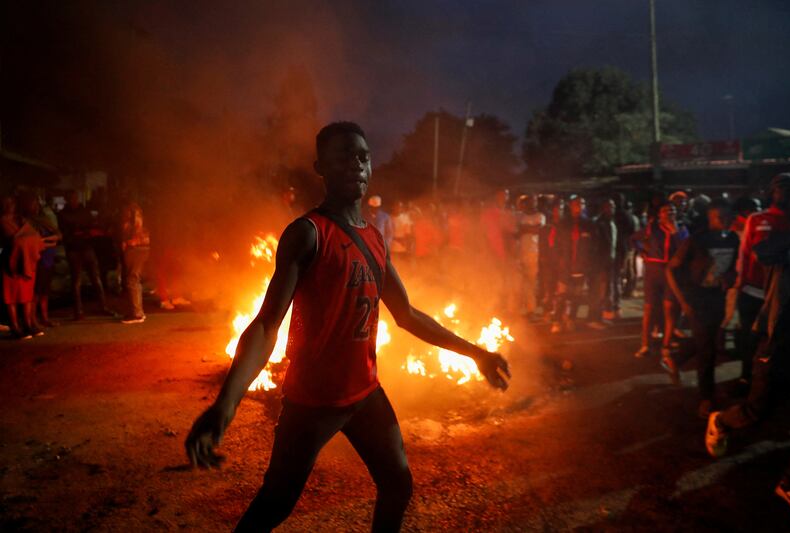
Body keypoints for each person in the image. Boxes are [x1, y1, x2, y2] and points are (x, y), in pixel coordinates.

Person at [184, 122, 510, 532]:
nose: (356, 163)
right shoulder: (307, 234)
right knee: (277, 503)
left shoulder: (374, 237)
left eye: (363, 155)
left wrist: (477, 353)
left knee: (397, 483)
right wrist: (226, 403)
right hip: (313, 402)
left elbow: (407, 315)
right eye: (344, 155)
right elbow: (267, 325)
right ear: (320, 167)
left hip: (365, 393)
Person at [705, 204, 790, 516]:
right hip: (779, 341)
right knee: (757, 410)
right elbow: (762, 251)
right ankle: (721, 420)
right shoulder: (787, 247)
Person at [665, 199, 739, 417]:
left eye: (728, 217)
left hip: (717, 295)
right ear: (710, 219)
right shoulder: (696, 240)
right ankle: (706, 398)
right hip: (696, 298)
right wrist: (684, 301)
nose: (725, 222)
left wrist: (730, 277)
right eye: (720, 218)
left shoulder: (733, 239)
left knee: (707, 340)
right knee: (707, 350)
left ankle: (676, 359)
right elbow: (671, 270)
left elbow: (732, 267)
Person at [732, 173, 790, 391]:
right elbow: (746, 254)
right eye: (783, 188)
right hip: (753, 291)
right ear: (772, 192)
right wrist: (739, 283)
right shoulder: (758, 219)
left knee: (775, 341)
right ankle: (746, 379)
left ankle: (769, 381)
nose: (789, 192)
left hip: (782, 295)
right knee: (750, 340)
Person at [632, 202, 689, 358]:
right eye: (665, 211)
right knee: (649, 309)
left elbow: (685, 249)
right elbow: (634, 238)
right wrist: (642, 251)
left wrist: (674, 232)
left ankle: (667, 344)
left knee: (669, 308)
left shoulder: (682, 229)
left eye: (672, 210)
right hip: (653, 271)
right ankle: (645, 344)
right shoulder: (652, 229)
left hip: (672, 273)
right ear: (659, 215)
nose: (669, 213)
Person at [1, 194, 57, 339]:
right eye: (6, 203)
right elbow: (17, 241)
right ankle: (15, 328)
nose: (9, 206)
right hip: (11, 263)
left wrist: (40, 242)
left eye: (11, 202)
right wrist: (38, 242)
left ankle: (28, 324)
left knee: (26, 295)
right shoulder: (2, 221)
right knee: (11, 297)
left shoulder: (22, 219)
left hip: (27, 263)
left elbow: (31, 237)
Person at [58, 190, 113, 320]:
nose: (75, 200)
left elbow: (92, 226)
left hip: (87, 248)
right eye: (72, 198)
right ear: (67, 199)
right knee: (76, 281)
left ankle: (103, 307)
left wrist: (87, 231)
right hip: (74, 250)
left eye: (76, 198)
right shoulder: (63, 215)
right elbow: (65, 234)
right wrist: (78, 232)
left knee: (96, 279)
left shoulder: (84, 212)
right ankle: (78, 311)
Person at [552, 195, 594, 333]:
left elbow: (592, 247)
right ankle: (557, 320)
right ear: (571, 206)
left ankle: (572, 319)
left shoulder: (588, 224)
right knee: (562, 296)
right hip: (565, 267)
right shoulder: (563, 224)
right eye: (576, 204)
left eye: (581, 204)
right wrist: (558, 262)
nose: (579, 206)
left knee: (577, 296)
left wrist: (588, 265)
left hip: (581, 267)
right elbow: (556, 245)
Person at [19, 192, 62, 328]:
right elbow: (33, 241)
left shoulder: (42, 219)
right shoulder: (25, 221)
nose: (36, 206)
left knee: (44, 291)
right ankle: (32, 319)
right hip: (38, 259)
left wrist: (46, 240)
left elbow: (58, 235)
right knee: (36, 292)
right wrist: (47, 241)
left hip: (48, 257)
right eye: (33, 203)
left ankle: (44, 317)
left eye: (36, 203)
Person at [117, 197, 150, 324]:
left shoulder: (132, 221)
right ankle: (136, 311)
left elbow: (132, 237)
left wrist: (127, 243)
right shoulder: (140, 217)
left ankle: (136, 313)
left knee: (132, 279)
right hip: (142, 250)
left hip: (134, 251)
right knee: (135, 279)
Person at [589, 198, 617, 328]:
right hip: (600, 264)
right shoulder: (598, 223)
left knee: (604, 291)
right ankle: (593, 319)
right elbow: (595, 246)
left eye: (612, 207)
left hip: (609, 263)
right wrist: (599, 265)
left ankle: (599, 317)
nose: (611, 209)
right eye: (608, 206)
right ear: (603, 208)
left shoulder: (611, 223)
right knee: (597, 292)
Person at [516, 194, 545, 320]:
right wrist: (530, 228)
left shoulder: (540, 216)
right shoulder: (520, 216)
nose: (533, 204)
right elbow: (517, 230)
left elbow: (539, 230)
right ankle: (520, 310)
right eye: (530, 201)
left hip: (534, 254)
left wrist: (525, 228)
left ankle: (532, 310)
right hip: (520, 254)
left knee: (532, 283)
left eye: (535, 201)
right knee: (520, 283)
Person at [614, 195, 640, 301]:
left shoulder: (618, 215)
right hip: (628, 246)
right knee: (629, 269)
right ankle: (628, 290)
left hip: (622, 246)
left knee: (623, 270)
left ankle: (623, 291)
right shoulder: (630, 216)